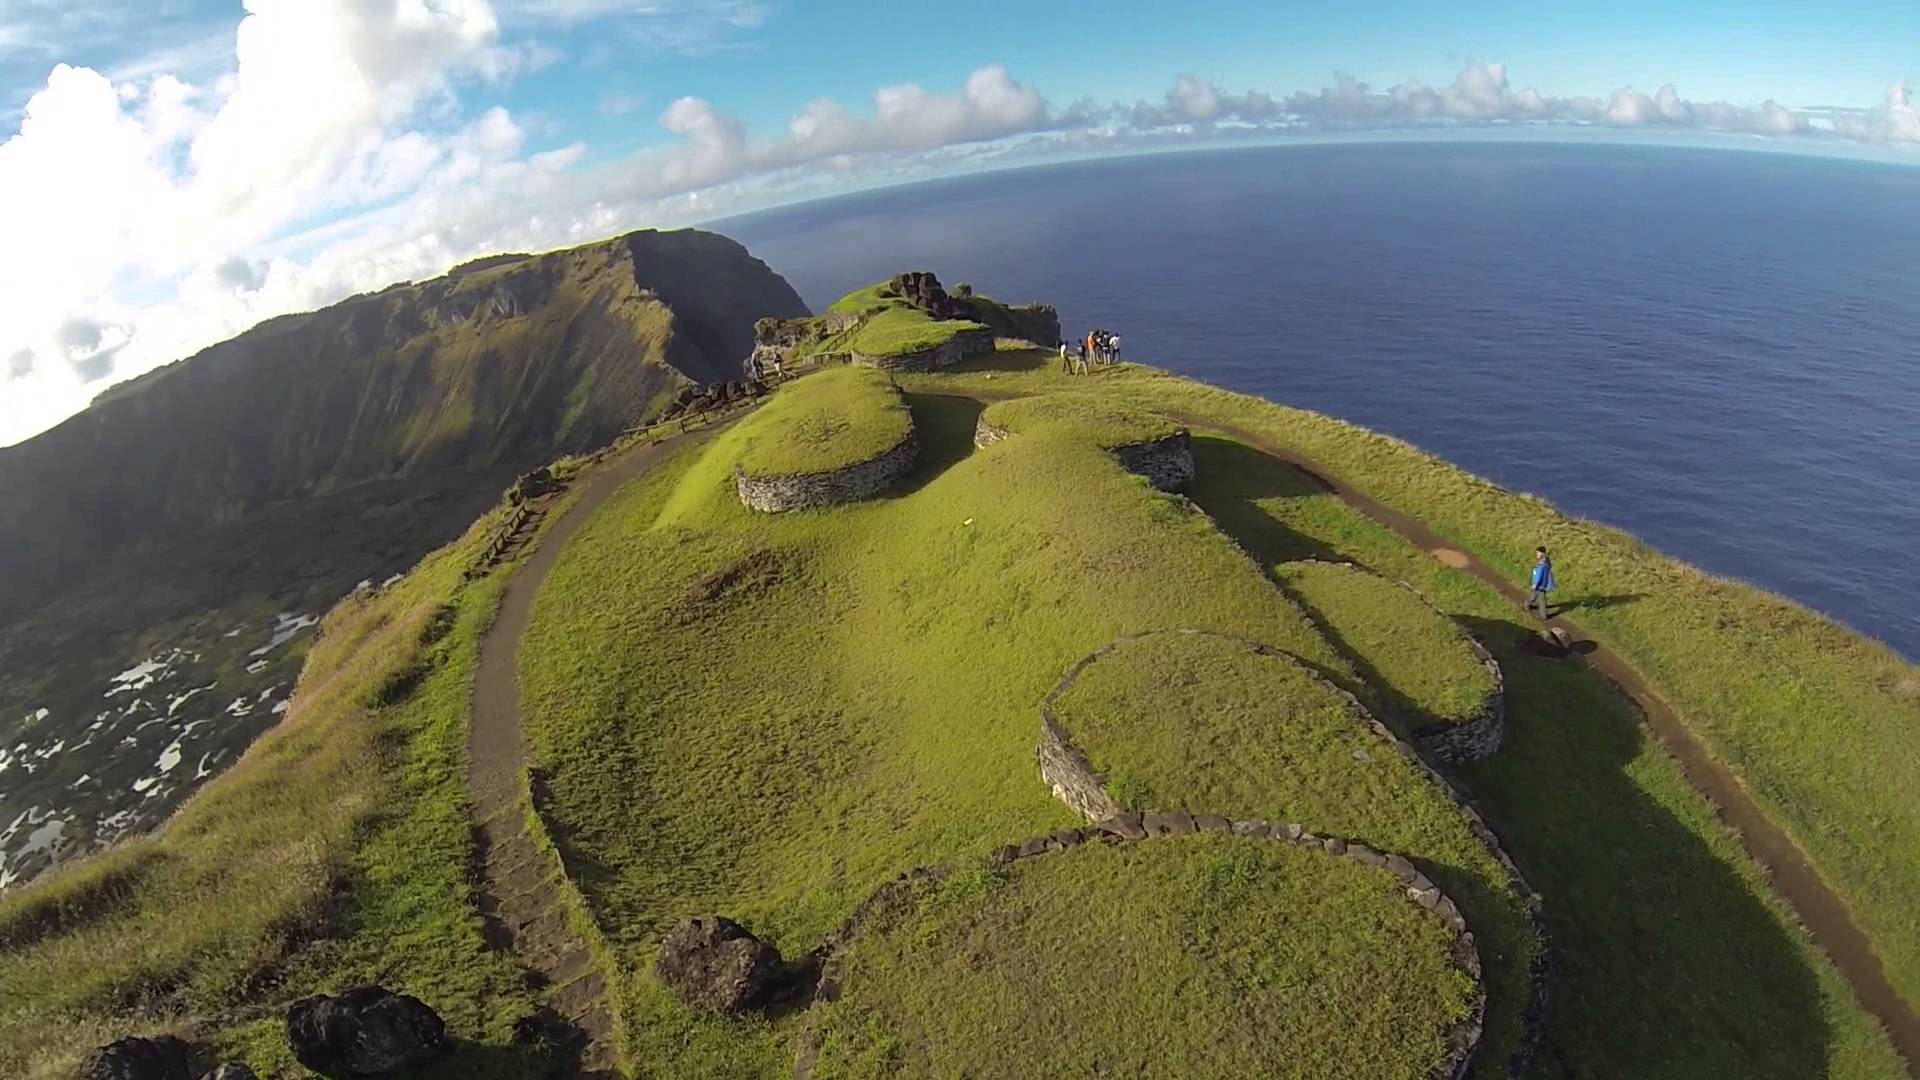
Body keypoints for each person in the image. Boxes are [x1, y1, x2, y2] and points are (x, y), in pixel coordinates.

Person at [1527, 546, 1556, 620]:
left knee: (1533, 596)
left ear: (1542, 554)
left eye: (1538, 553)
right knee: (1542, 599)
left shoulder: (1541, 564)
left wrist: (1535, 584)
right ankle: (1544, 615)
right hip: (1543, 584)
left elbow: (1538, 575)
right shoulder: (1546, 562)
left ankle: (1526, 605)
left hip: (1538, 585)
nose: (1537, 554)